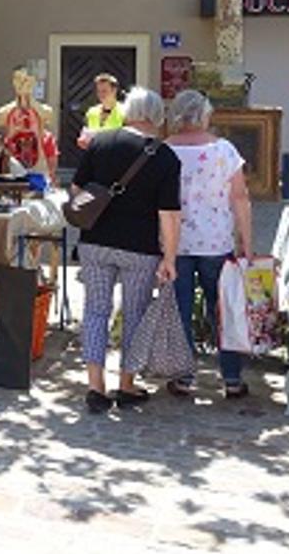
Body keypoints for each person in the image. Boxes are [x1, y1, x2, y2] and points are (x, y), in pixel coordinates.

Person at [71, 86, 180, 413]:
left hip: (95, 241)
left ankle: (95, 385)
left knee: (95, 311)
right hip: (140, 247)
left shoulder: (101, 142)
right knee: (135, 314)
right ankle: (126, 384)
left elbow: (76, 188)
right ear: (157, 117)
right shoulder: (165, 157)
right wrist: (170, 257)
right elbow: (169, 214)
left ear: (128, 112)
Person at [164, 90, 253, 399]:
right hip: (216, 241)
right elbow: (239, 197)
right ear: (204, 115)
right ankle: (231, 377)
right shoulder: (224, 150)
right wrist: (247, 242)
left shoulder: (164, 151)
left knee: (181, 309)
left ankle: (184, 375)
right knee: (223, 309)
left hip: (176, 243)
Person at [77, 72, 125, 151]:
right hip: (94, 154)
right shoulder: (91, 112)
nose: (101, 94)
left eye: (104, 91)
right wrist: (82, 141)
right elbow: (84, 134)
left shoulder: (124, 111)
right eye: (98, 91)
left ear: (114, 90)